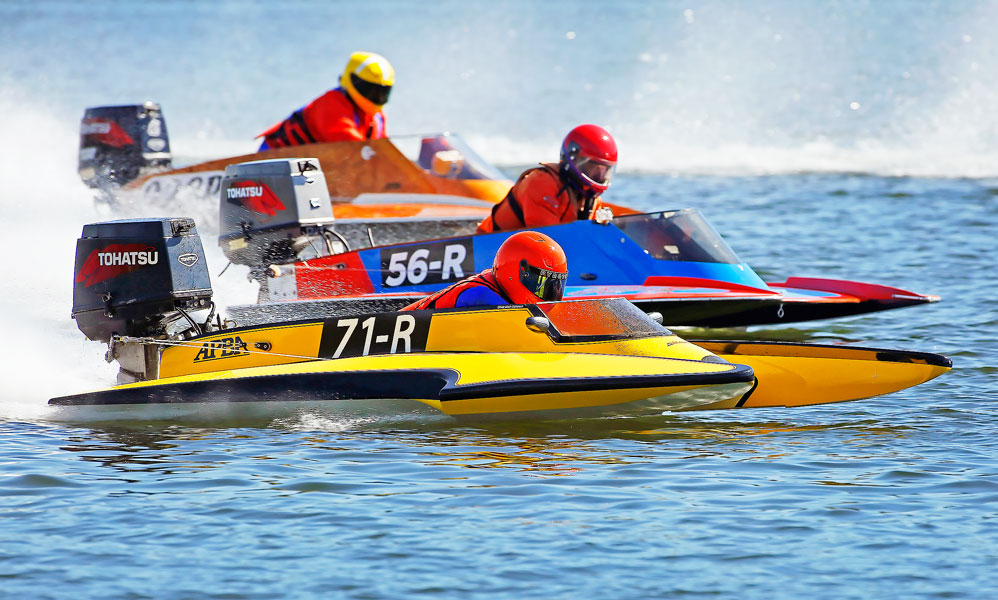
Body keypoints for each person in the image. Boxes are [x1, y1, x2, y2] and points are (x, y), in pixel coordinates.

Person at [476, 124, 617, 233]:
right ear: (574, 159)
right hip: (484, 249)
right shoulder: (541, 184)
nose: (599, 176)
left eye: (605, 170)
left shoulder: (591, 199)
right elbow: (546, 240)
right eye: (593, 168)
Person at [257, 51, 394, 150]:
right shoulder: (332, 104)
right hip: (272, 159)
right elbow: (352, 148)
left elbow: (382, 153)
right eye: (371, 90)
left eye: (382, 93)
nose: (377, 97)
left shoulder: (377, 117)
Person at [402, 231, 568, 310]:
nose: (552, 293)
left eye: (556, 285)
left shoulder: (497, 284)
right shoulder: (482, 295)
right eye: (543, 283)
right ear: (518, 272)